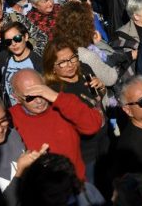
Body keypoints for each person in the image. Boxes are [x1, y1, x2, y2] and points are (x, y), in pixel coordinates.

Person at [9, 68, 102, 182]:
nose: (39, 100)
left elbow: (93, 125)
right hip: (42, 192)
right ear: (17, 98)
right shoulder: (9, 119)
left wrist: (55, 97)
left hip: (76, 185)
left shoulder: (62, 104)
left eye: (41, 92)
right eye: (30, 97)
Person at [42, 37, 108, 185]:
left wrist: (102, 88)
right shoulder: (56, 92)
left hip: (105, 141)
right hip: (86, 152)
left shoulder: (84, 70)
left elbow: (97, 100)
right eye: (62, 62)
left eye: (73, 58)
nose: (70, 65)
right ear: (52, 67)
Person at [0, 21, 43, 106]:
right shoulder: (4, 56)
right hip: (12, 111)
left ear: (26, 37)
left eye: (17, 38)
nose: (13, 44)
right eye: (8, 42)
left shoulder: (36, 61)